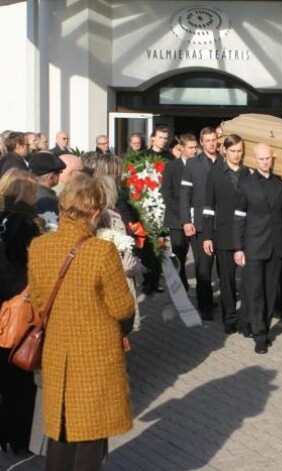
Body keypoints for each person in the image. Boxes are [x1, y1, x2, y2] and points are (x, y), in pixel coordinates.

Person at [27, 172, 135, 470]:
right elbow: (123, 307)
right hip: (95, 356)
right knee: (90, 434)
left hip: (57, 351)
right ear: (96, 212)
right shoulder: (101, 251)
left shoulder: (39, 247)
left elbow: (37, 302)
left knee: (60, 431)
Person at [0, 169, 42, 455]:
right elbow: (33, 268)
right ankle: (18, 438)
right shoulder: (26, 224)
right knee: (20, 374)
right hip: (16, 309)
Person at [233, 143, 282, 354]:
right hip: (254, 244)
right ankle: (260, 334)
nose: (265, 162)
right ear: (255, 160)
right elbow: (238, 217)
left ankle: (264, 326)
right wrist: (238, 248)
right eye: (262, 159)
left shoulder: (280, 185)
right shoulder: (244, 183)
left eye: (268, 159)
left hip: (276, 245)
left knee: (270, 290)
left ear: (272, 159)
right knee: (255, 290)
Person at [203, 134, 250, 334]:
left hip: (247, 234)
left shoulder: (248, 173)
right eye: (233, 151)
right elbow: (208, 207)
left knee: (248, 280)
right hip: (222, 233)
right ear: (224, 151)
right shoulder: (215, 173)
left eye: (240, 151)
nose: (236, 155)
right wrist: (206, 235)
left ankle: (247, 319)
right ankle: (229, 318)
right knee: (227, 280)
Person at [180, 127, 221, 319]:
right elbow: (184, 195)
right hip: (200, 224)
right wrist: (186, 221)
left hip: (222, 224)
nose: (212, 143)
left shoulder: (224, 160)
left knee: (222, 268)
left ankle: (221, 302)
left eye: (214, 139)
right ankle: (204, 306)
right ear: (201, 143)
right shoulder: (192, 164)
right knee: (203, 267)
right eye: (208, 140)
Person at [162, 134, 196, 291]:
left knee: (197, 255)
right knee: (179, 253)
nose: (194, 150)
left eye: (195, 147)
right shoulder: (172, 166)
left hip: (196, 218)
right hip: (176, 219)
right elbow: (167, 194)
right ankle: (181, 286)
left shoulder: (200, 166)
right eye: (190, 147)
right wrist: (184, 214)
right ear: (181, 147)